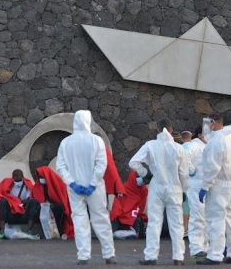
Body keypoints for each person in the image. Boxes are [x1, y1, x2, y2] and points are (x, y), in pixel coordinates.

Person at [56, 110, 117, 265]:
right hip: (94, 188)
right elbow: (101, 164)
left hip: (75, 189)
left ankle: (83, 256)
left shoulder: (66, 142)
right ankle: (109, 254)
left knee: (79, 220)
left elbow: (61, 166)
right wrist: (92, 183)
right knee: (101, 219)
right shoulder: (97, 141)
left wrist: (71, 183)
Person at [130, 119, 189, 265]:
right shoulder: (179, 148)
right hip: (174, 187)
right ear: (171, 129)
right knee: (176, 224)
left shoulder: (150, 145)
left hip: (157, 185)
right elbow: (184, 173)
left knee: (154, 223)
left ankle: (151, 256)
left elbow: (133, 162)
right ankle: (178, 257)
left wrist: (145, 173)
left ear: (157, 129)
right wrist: (184, 189)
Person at [197, 114, 231, 265]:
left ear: (213, 123)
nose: (206, 126)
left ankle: (214, 255)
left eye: (207, 123)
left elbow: (213, 166)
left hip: (219, 185)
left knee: (215, 220)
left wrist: (205, 186)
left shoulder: (216, 141)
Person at [183, 124, 209, 259]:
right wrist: (192, 171)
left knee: (204, 217)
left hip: (204, 186)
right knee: (198, 216)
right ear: (200, 135)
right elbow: (184, 157)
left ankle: (204, 247)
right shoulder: (193, 145)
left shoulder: (205, 146)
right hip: (195, 186)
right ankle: (196, 248)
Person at [0, 169, 40, 239]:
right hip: (12, 213)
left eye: (19, 180)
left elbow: (29, 198)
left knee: (34, 201)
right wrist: (13, 201)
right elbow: (2, 194)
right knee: (2, 201)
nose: (17, 182)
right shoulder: (7, 185)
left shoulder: (27, 185)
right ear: (12, 178)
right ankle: (2, 230)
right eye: (16, 180)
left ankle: (29, 230)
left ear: (22, 177)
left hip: (23, 212)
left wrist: (19, 201)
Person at [34, 165, 71, 238]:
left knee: (58, 207)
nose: (41, 179)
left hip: (56, 206)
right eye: (40, 177)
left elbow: (62, 198)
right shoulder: (38, 185)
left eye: (42, 177)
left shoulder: (58, 183)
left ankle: (59, 230)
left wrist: (52, 204)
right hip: (44, 207)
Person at [110, 171, 149, 236]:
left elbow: (141, 208)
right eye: (138, 177)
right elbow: (117, 206)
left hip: (133, 218)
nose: (140, 179)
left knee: (139, 220)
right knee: (113, 224)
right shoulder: (123, 189)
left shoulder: (143, 190)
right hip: (121, 217)